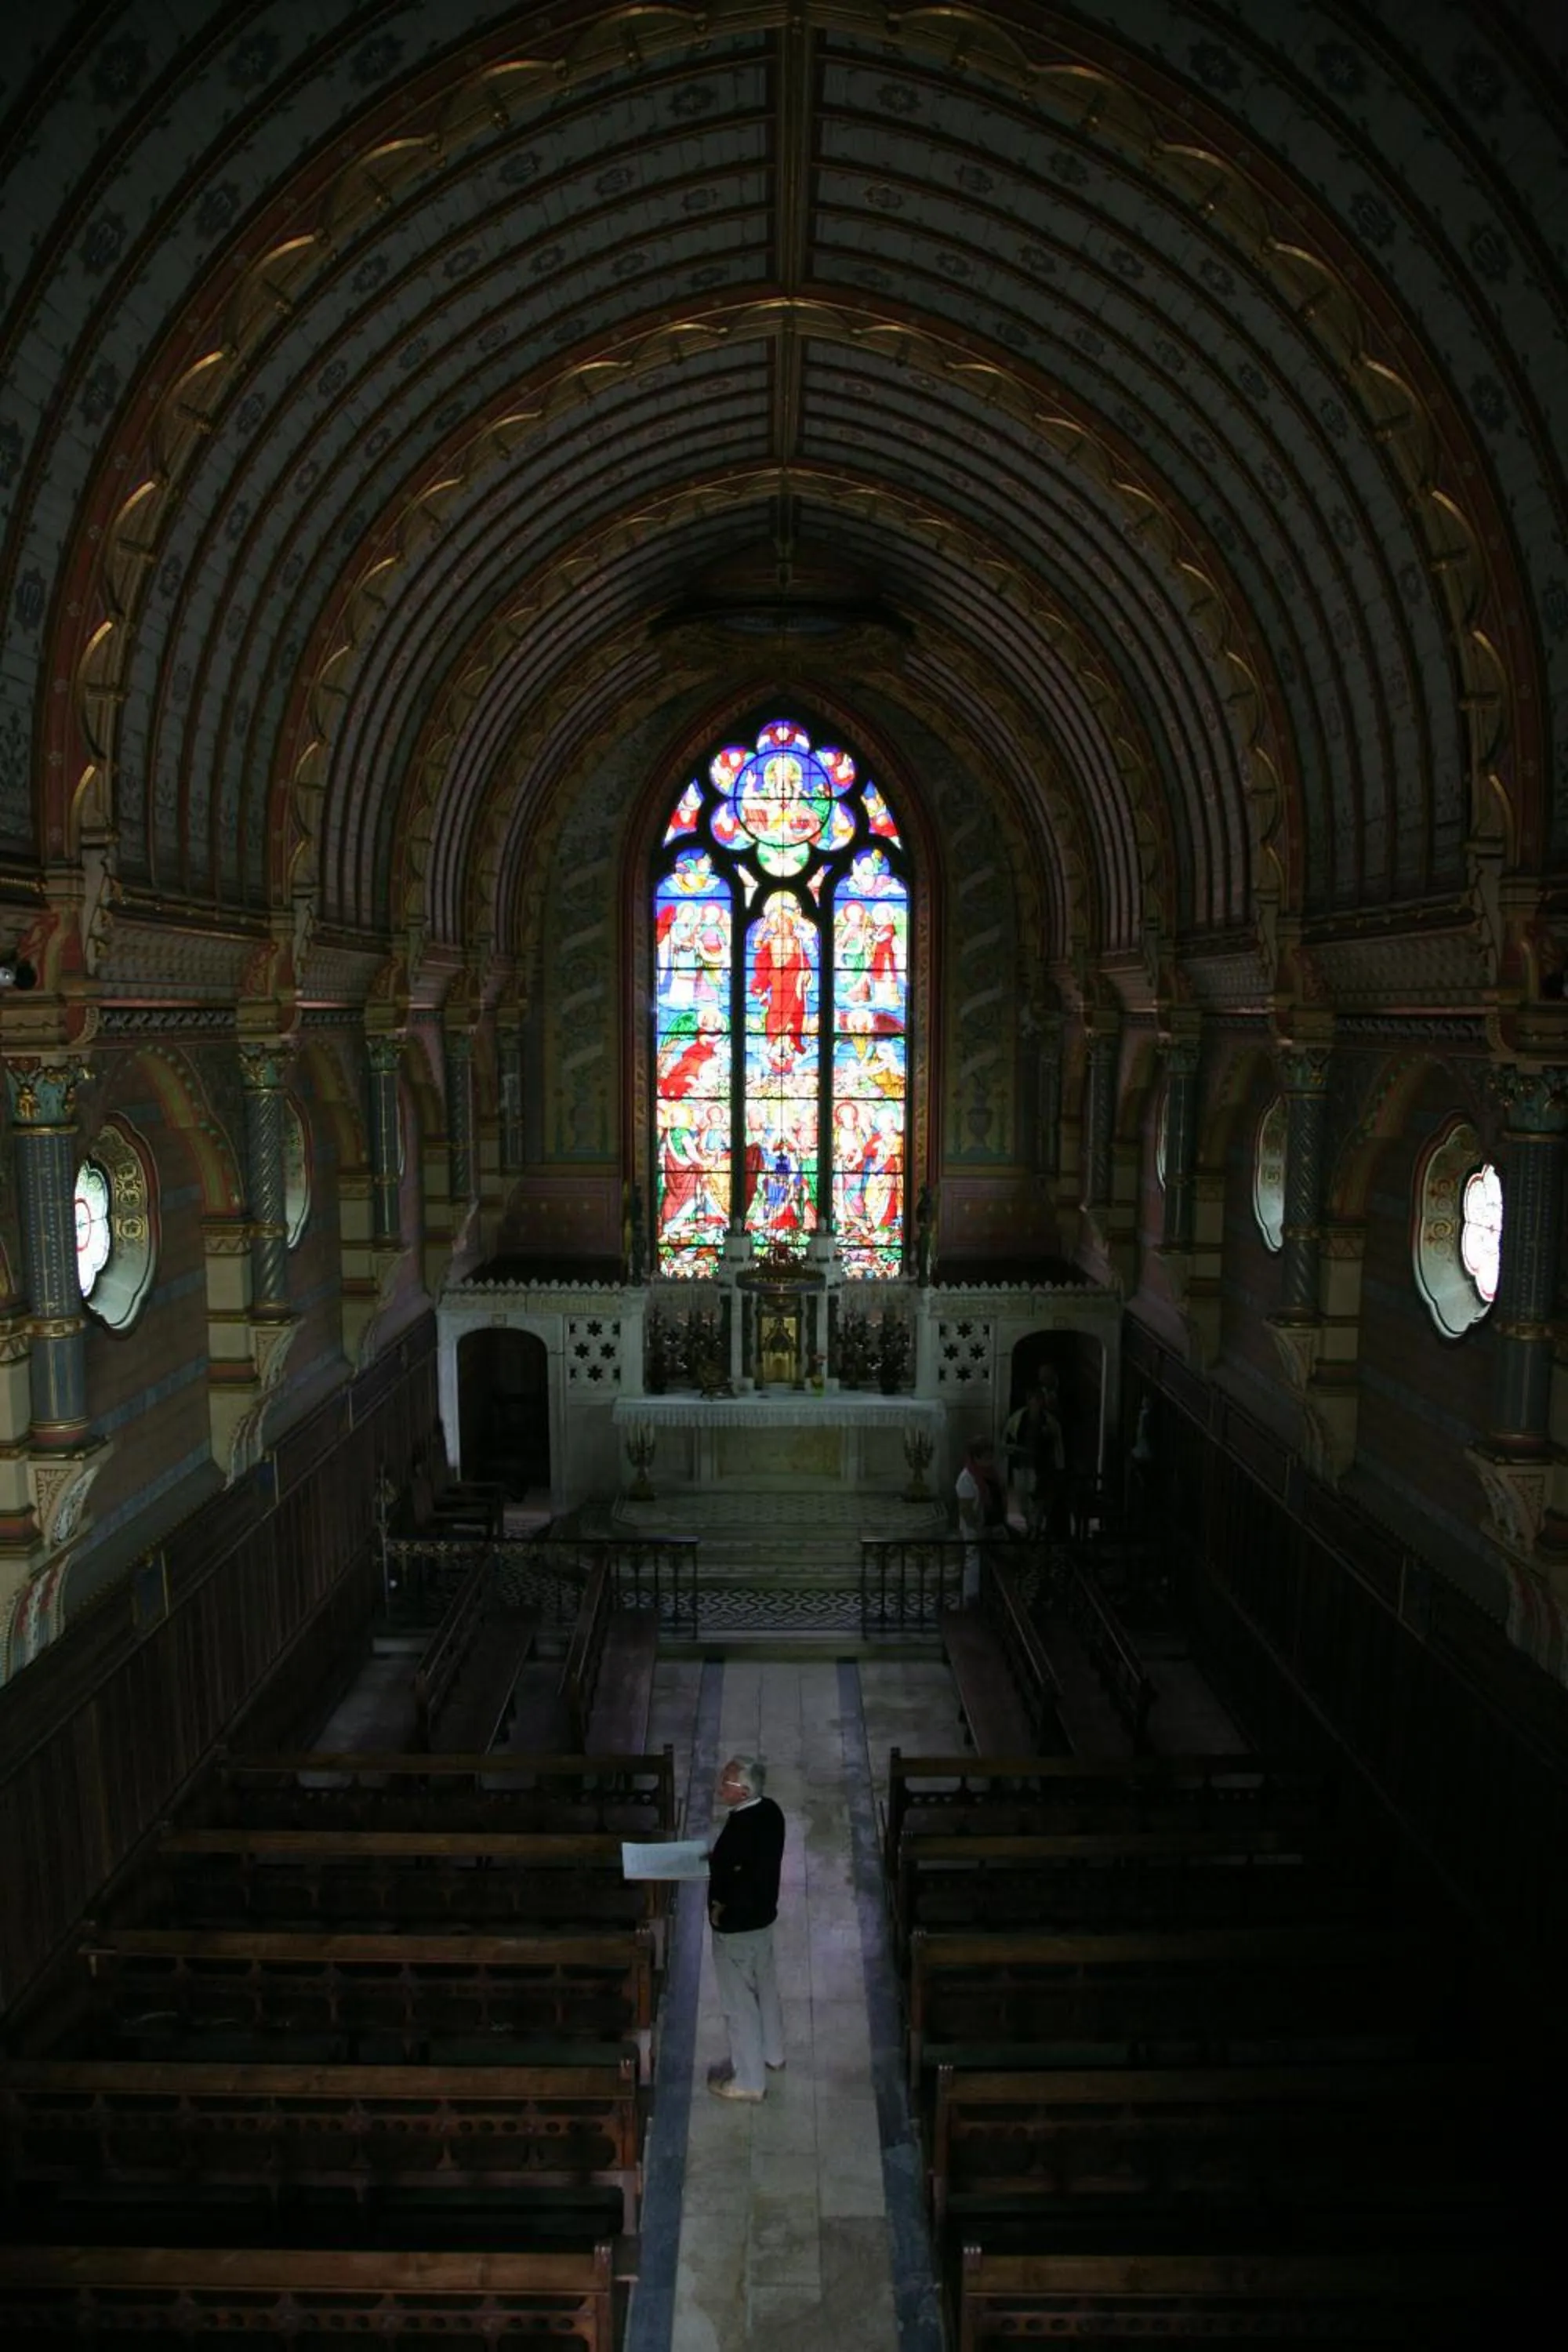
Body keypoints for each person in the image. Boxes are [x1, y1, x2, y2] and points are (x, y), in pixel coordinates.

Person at [706, 1752, 787, 2101]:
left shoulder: (740, 1827)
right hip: (763, 1917)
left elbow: (737, 1875)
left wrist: (721, 1910)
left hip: (738, 1927)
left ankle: (749, 2082)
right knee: (765, 1988)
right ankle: (773, 2055)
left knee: (739, 2004)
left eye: (726, 1782)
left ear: (743, 1791)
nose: (720, 1786)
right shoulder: (770, 1811)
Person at [955, 1436, 1007, 1607]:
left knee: (993, 1561)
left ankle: (991, 1595)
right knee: (973, 1562)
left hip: (993, 1523)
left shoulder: (991, 1473)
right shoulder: (967, 1478)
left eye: (991, 1456)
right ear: (976, 1458)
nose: (990, 1460)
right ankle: (971, 1599)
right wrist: (978, 1528)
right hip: (976, 1528)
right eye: (986, 1457)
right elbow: (966, 1509)